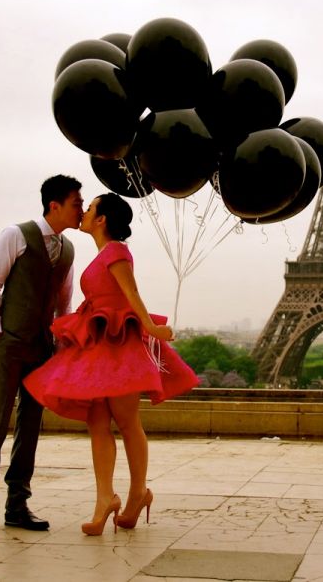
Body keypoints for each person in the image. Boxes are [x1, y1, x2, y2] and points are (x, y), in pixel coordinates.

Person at [24, 193, 199, 535]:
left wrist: (150, 328)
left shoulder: (116, 251)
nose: (85, 212)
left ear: (102, 219)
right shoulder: (104, 253)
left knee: (126, 420)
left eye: (90, 209)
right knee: (97, 419)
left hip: (118, 342)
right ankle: (105, 497)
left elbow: (132, 294)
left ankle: (137, 493)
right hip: (102, 339)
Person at [0, 175, 83, 536]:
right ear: (55, 205)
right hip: (9, 343)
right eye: (77, 203)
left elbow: (63, 301)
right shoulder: (15, 235)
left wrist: (62, 342)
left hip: (41, 347)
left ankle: (17, 504)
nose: (82, 209)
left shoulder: (67, 250)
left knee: (30, 428)